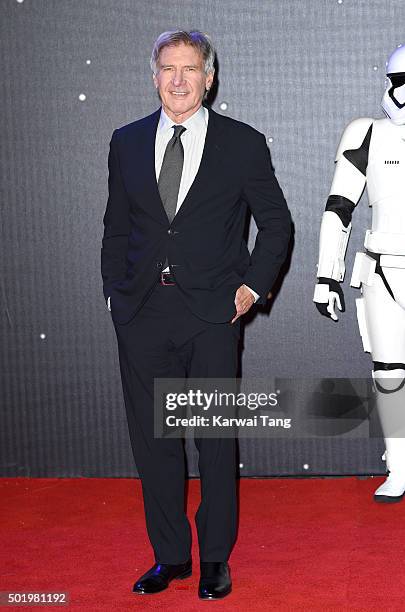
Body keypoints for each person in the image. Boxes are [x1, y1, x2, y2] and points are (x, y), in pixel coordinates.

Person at [101, 29, 291, 599]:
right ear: (153, 75)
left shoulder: (243, 144)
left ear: (210, 79)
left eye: (190, 69)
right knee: (153, 443)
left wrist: (253, 288)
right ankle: (170, 558)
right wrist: (116, 292)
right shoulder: (127, 141)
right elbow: (116, 225)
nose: (178, 80)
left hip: (212, 314)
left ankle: (214, 561)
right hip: (142, 312)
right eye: (168, 68)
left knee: (213, 441)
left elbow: (276, 225)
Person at [313, 45, 405, 503]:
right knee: (389, 371)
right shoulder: (365, 133)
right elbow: (339, 207)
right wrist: (326, 275)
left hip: (386, 267)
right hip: (383, 267)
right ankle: (400, 464)